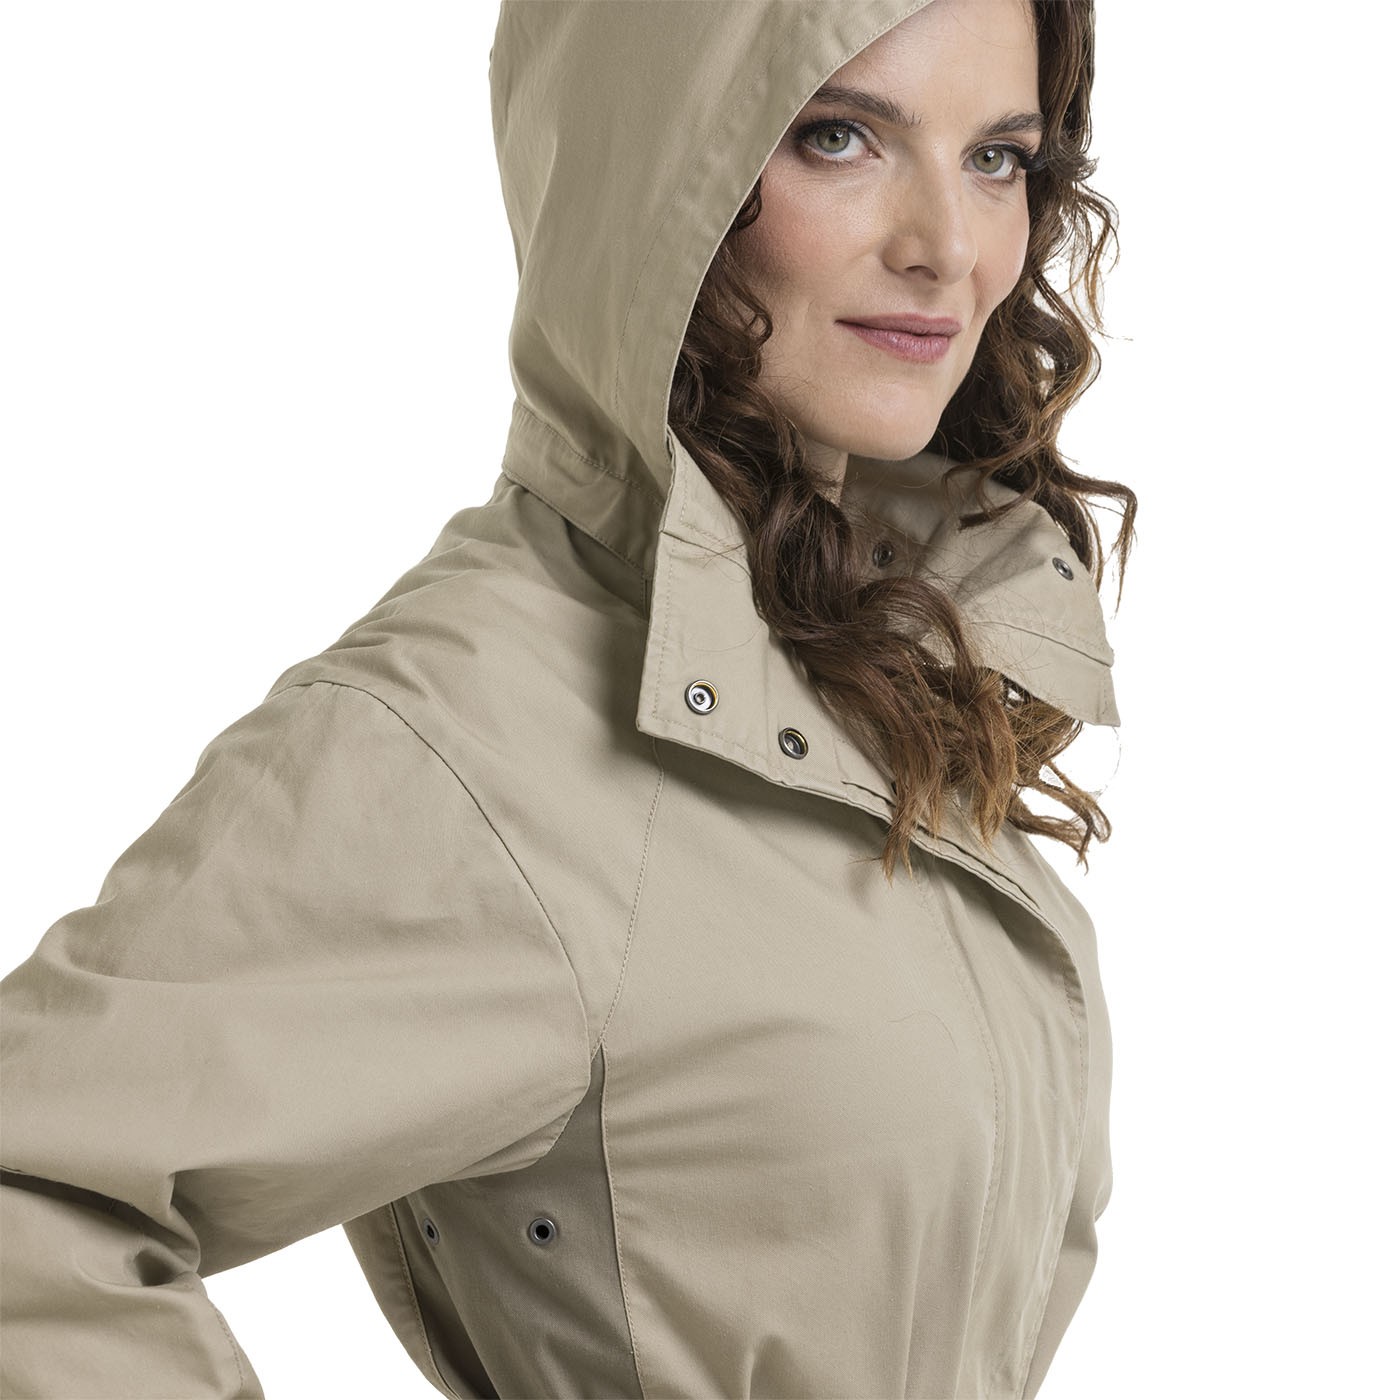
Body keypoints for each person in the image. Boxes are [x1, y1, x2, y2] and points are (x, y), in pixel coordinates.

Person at [0, 0, 1136, 1396]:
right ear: (650, 164)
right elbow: (30, 1192)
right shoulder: (472, 732)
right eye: (838, 138)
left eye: (996, 158)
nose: (947, 249)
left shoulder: (876, 658)